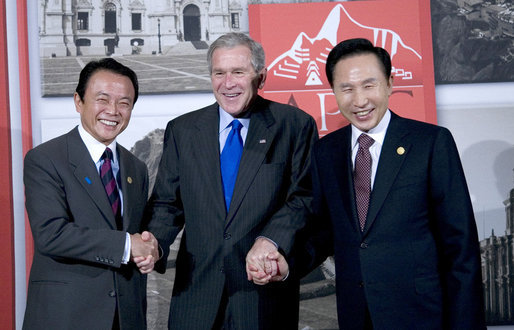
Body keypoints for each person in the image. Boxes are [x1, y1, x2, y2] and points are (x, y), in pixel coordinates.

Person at [271, 38, 485, 329]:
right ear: (333, 91)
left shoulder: (430, 143)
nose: (359, 100)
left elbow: (460, 247)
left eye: (369, 85)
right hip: (356, 316)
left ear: (390, 83)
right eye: (346, 88)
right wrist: (288, 264)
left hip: (422, 316)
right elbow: (323, 233)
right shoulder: (325, 151)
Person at [145, 32, 318, 329]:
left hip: (262, 293)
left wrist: (271, 239)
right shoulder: (183, 130)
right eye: (219, 73)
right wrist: (154, 245)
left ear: (261, 77)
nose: (228, 83)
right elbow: (167, 203)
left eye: (238, 72)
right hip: (196, 293)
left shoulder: (295, 125)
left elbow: (304, 196)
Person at [23, 58, 158, 330]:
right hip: (67, 316)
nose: (113, 111)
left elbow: (137, 234)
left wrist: (149, 249)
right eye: (102, 99)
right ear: (78, 101)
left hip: (126, 316)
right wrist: (127, 246)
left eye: (124, 103)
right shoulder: (46, 159)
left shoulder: (136, 167)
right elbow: (51, 234)